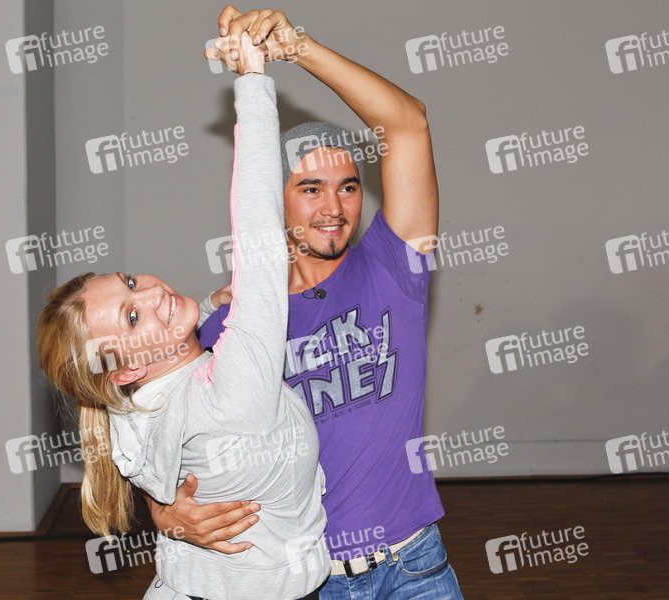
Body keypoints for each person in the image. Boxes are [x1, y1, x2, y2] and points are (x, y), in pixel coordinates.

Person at [148, 7, 463, 599]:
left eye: (348, 187)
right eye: (311, 188)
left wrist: (298, 48)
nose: (334, 208)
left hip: (415, 567)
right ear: (276, 199)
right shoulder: (229, 328)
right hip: (310, 583)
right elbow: (157, 438)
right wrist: (164, 511)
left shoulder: (393, 268)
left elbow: (408, 125)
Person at [37, 34, 329, 600]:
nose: (152, 292)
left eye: (129, 282)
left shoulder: (127, 403)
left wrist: (215, 305)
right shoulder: (227, 397)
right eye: (131, 317)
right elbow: (260, 232)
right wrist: (252, 81)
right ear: (124, 369)